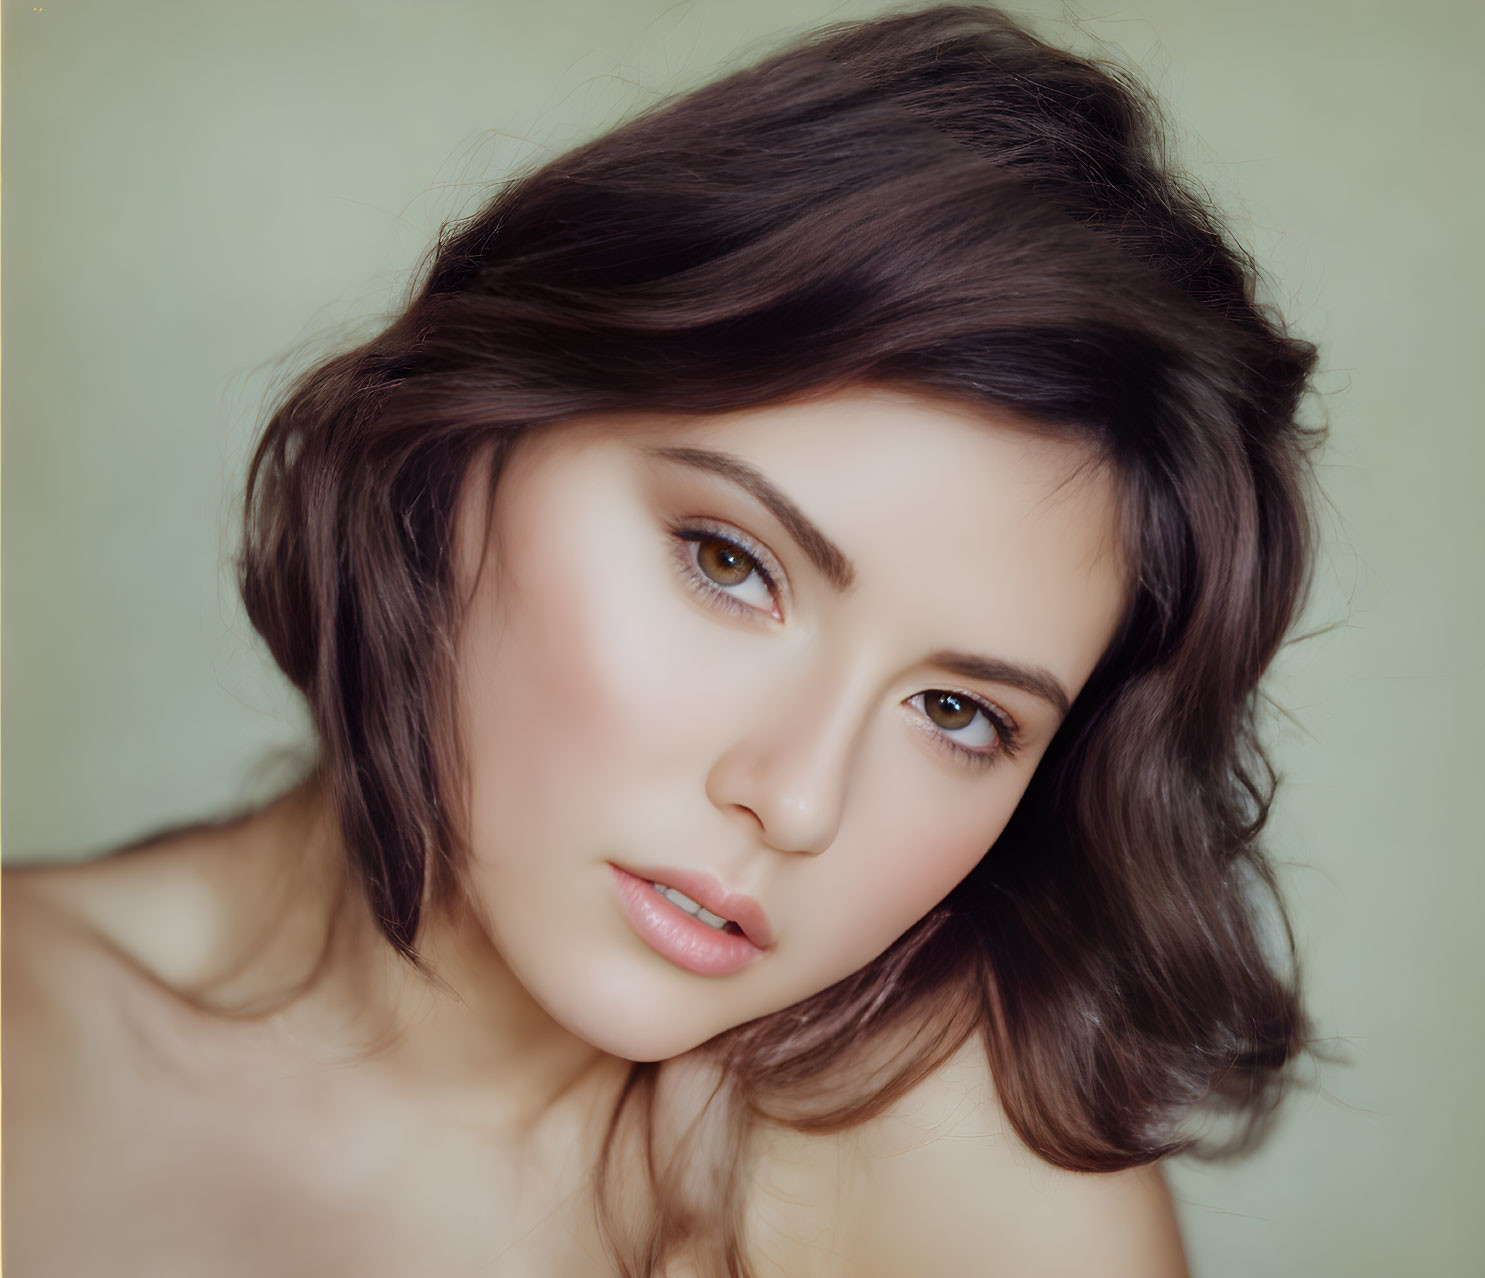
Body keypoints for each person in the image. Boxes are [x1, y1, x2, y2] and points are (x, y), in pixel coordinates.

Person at [2, 4, 1321, 1274]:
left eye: (959, 712)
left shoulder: (951, 1170)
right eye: (732, 562)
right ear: (467, 442)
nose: (797, 797)